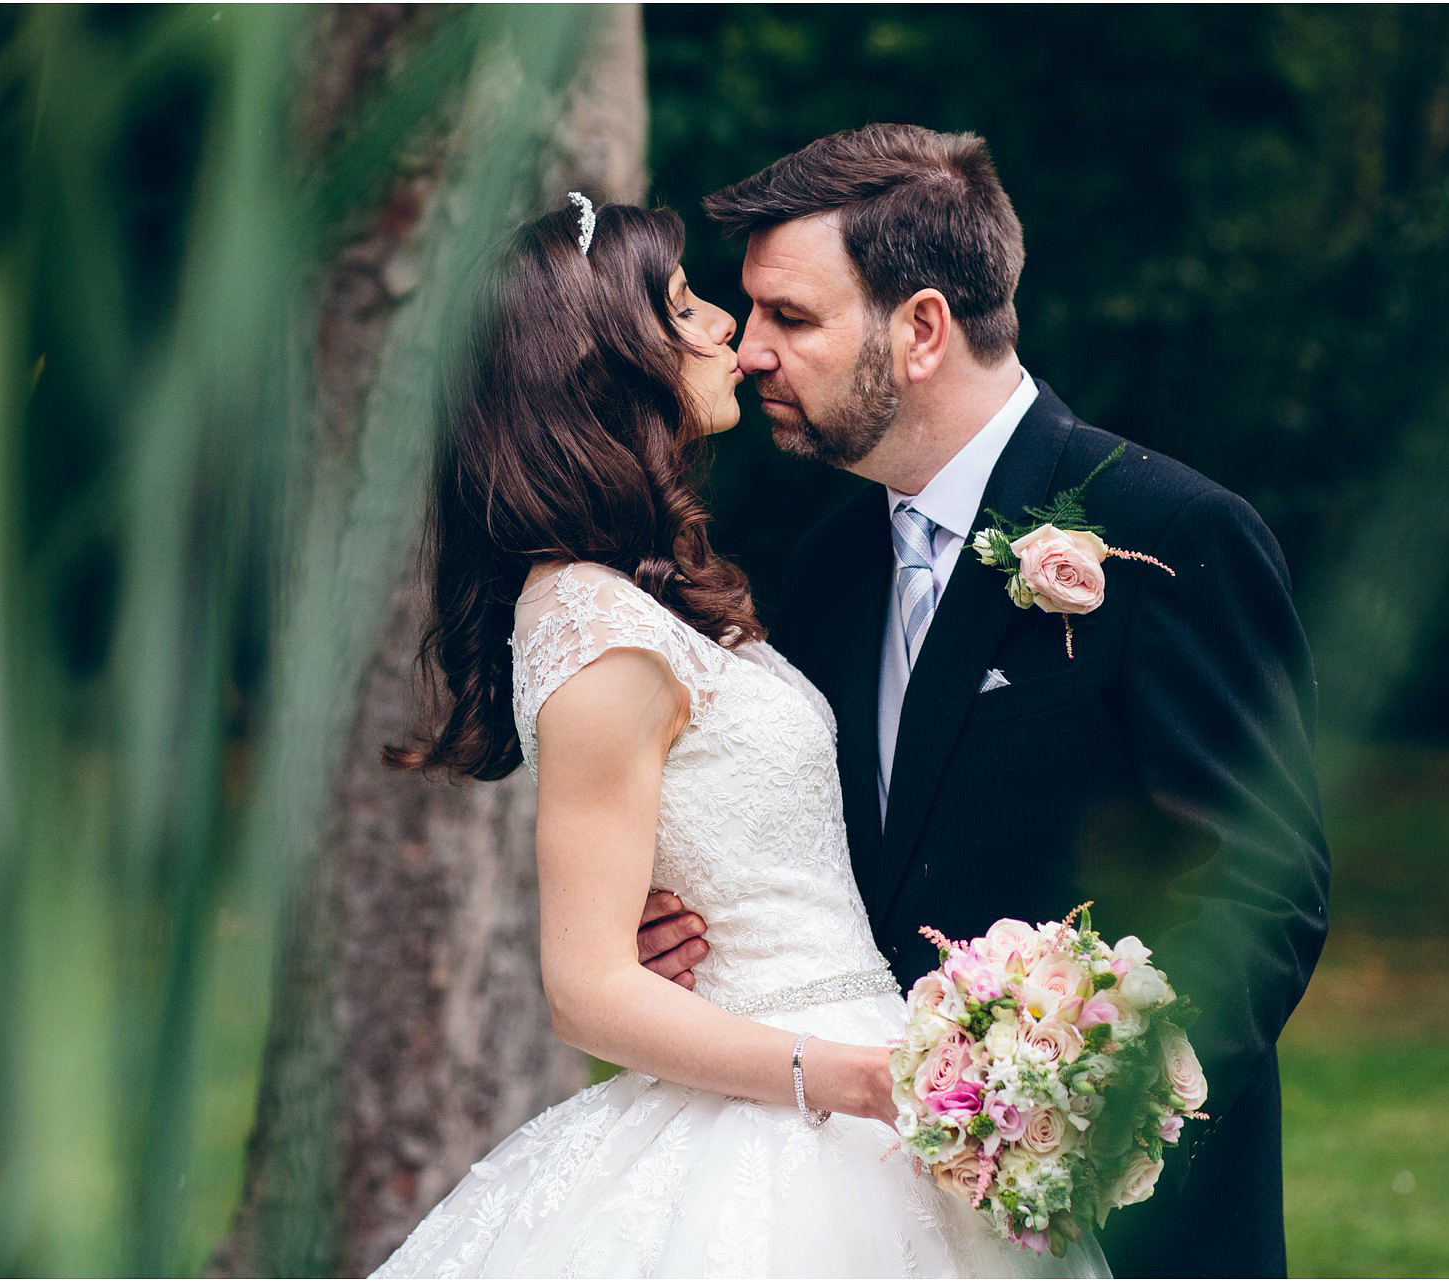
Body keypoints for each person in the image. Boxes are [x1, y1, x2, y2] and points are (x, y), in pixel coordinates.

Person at [370, 195, 1107, 1278]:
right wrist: (867, 1081)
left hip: (859, 1062)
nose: (728, 328)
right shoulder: (597, 627)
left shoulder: (638, 595)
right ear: (601, 365)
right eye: (683, 306)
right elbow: (586, 988)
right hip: (802, 1112)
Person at [638, 124, 1330, 1277]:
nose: (749, 350)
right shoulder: (827, 565)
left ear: (921, 329)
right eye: (751, 314)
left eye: (789, 316)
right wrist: (699, 929)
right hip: (868, 1200)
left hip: (1123, 1216)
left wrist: (1084, 1109)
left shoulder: (1170, 534)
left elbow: (1262, 889)